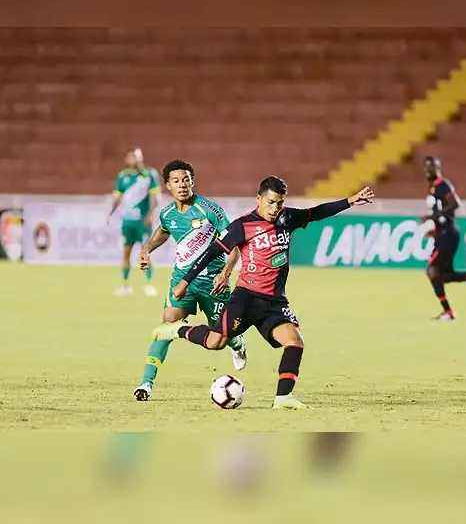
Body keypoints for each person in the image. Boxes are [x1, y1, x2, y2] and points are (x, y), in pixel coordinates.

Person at [152, 176, 375, 410]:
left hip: (274, 302)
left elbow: (316, 212)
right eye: (270, 202)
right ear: (258, 199)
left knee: (295, 342)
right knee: (216, 342)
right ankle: (175, 330)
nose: (275, 208)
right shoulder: (242, 226)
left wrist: (350, 201)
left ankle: (283, 397)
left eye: (279, 203)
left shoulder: (287, 217)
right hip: (246, 298)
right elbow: (211, 252)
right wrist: (185, 282)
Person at [132, 160, 247, 401]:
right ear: (168, 185)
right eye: (176, 181)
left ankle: (237, 343)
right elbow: (163, 231)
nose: (182, 185)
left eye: (186, 180)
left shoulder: (209, 210)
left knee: (220, 336)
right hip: (183, 280)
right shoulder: (168, 214)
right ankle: (146, 383)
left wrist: (226, 273)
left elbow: (234, 244)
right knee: (166, 326)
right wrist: (146, 249)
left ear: (192, 182)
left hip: (214, 282)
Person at [421, 156, 466, 320]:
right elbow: (443, 214)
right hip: (443, 233)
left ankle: (448, 312)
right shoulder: (434, 188)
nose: (428, 171)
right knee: (445, 276)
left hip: (448, 234)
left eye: (430, 167)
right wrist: (435, 229)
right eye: (426, 167)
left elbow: (454, 204)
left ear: (437, 168)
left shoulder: (443, 185)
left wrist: (433, 217)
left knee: (432, 270)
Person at [108, 148, 160, 296]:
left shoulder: (149, 175)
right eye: (132, 157)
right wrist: (110, 214)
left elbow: (155, 197)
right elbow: (117, 197)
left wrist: (151, 214)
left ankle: (148, 285)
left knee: (145, 253)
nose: (135, 159)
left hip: (142, 221)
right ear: (127, 159)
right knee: (126, 253)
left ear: (141, 157)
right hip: (127, 222)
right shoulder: (123, 176)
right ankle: (125, 286)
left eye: (137, 156)